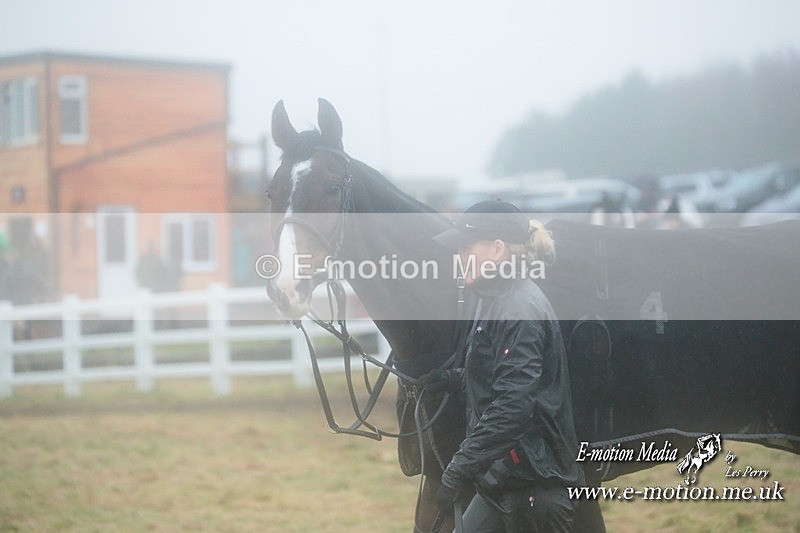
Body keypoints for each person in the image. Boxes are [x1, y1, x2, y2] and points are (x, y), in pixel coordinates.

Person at [423, 199, 583, 532]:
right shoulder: (498, 299)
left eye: (465, 248)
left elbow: (513, 406)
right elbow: (506, 377)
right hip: (505, 482)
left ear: (497, 249)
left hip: (532, 489)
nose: (459, 258)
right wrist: (452, 379)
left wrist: (459, 468)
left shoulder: (518, 308)